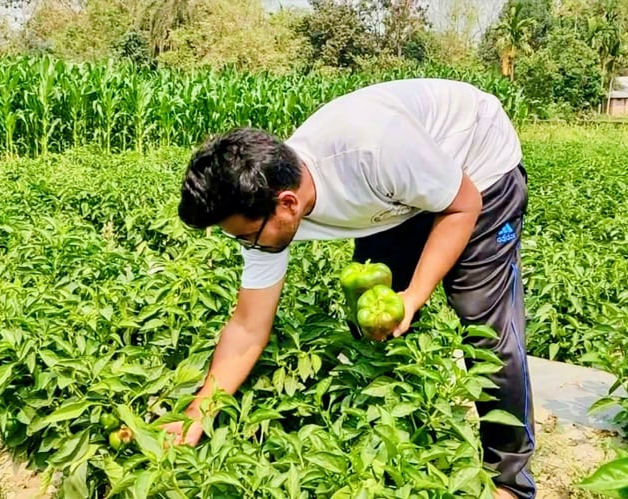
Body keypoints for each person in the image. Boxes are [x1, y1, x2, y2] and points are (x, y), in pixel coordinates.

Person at [166, 78, 535, 499]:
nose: (249, 246)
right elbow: (249, 326)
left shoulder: (374, 149)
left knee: (485, 325)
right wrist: (198, 411)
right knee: (372, 321)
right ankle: (398, 423)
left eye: (250, 237)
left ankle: (510, 482)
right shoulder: (259, 213)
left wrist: (415, 294)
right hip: (401, 191)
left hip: (479, 167)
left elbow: (463, 203)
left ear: (288, 203)